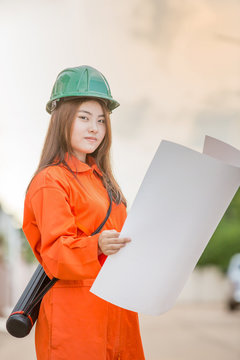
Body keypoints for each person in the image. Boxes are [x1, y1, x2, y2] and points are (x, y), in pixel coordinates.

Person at [22, 65, 145, 360]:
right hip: (75, 322)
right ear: (62, 118)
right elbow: (55, 254)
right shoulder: (50, 181)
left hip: (118, 316)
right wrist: (98, 245)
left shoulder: (105, 183)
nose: (95, 128)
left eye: (101, 120)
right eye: (84, 118)